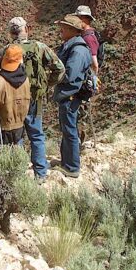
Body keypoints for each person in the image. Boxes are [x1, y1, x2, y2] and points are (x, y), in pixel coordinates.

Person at [0, 17, 65, 182]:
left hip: (12, 103)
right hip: (34, 98)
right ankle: (40, 175)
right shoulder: (39, 47)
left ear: (11, 32)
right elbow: (60, 69)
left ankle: (18, 177)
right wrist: (47, 84)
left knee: (16, 138)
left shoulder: (5, 51)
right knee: (36, 135)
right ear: (27, 29)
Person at [52, 14, 92, 178]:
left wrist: (54, 76)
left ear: (71, 30)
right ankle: (66, 162)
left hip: (70, 96)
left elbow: (70, 74)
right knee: (68, 129)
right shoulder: (73, 47)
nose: (60, 30)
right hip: (68, 96)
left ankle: (72, 167)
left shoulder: (77, 50)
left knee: (69, 131)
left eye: (63, 27)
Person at [0, 44, 31, 150]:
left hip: (0, 127)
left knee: (1, 156)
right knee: (16, 154)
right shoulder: (26, 80)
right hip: (19, 126)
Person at [74, 5, 99, 82]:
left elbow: (95, 64)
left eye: (79, 18)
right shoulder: (84, 35)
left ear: (86, 19)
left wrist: (92, 79)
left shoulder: (88, 38)